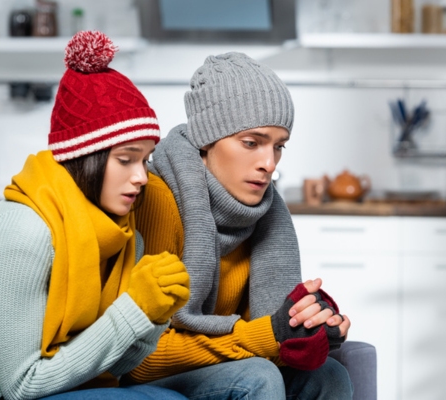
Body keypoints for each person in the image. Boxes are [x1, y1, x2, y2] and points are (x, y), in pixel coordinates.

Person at [0, 31, 189, 400]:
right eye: (125, 159)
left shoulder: (123, 237)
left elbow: (116, 366)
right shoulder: (23, 233)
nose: (141, 176)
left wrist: (153, 318)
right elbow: (23, 384)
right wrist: (133, 308)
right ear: (84, 159)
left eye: (144, 160)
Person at [124, 52, 354, 399]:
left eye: (279, 147)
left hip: (230, 363)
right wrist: (271, 334)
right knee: (258, 377)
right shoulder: (156, 198)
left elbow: (267, 329)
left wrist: (309, 328)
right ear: (207, 140)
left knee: (329, 375)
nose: (269, 164)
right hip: (156, 372)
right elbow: (138, 358)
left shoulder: (264, 213)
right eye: (251, 142)